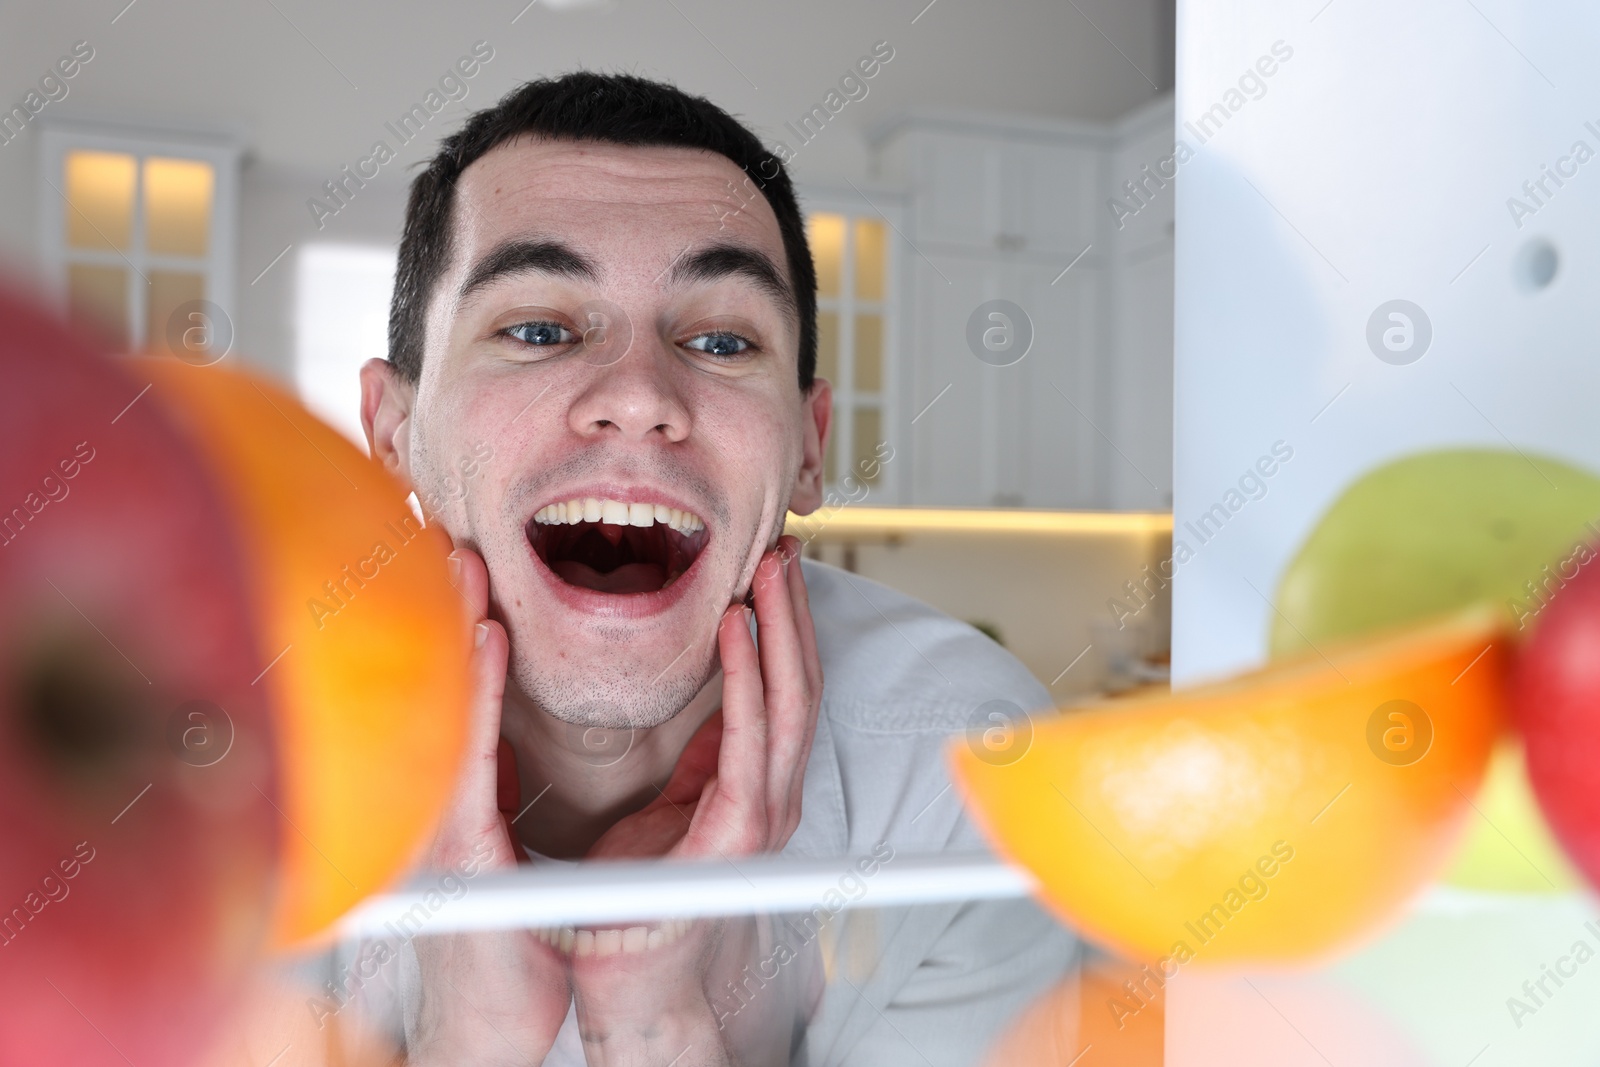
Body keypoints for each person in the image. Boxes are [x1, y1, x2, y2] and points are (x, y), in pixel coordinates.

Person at [350, 71, 1078, 1066]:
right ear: (392, 434)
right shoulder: (218, 772)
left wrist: (659, 1019)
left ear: (810, 447)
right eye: (536, 328)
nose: (640, 394)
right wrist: (468, 1034)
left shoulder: (972, 773)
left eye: (723, 337)